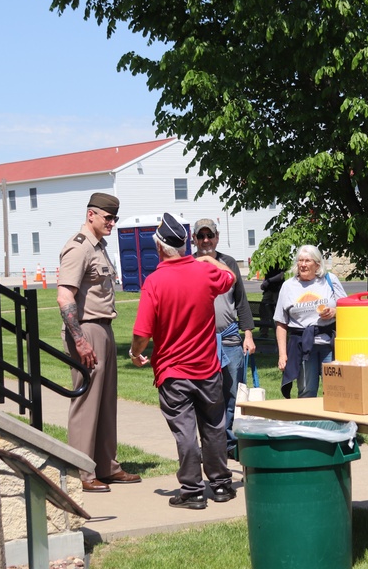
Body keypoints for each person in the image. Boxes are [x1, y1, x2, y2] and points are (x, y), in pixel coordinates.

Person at [129, 212, 237, 510]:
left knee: (185, 431)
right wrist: (208, 259)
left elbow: (142, 333)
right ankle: (221, 484)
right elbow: (229, 277)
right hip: (208, 367)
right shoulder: (205, 272)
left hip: (173, 370)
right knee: (214, 425)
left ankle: (192, 491)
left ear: (160, 248)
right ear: (187, 245)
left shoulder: (155, 281)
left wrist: (135, 352)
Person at [57, 192, 141, 493]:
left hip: (103, 328)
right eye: (108, 218)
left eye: (114, 218)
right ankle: (82, 468)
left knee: (105, 402)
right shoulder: (78, 248)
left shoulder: (100, 247)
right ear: (90, 214)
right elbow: (65, 297)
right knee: (86, 402)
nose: (112, 223)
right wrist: (79, 341)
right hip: (87, 330)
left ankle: (107, 466)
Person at [192, 218, 256, 459]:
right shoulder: (189, 264)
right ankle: (210, 444)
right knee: (206, 395)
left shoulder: (228, 263)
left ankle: (230, 442)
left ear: (217, 237)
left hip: (229, 340)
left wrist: (247, 334)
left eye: (210, 236)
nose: (206, 240)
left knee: (231, 393)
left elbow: (240, 300)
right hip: (201, 342)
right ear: (195, 239)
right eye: (201, 236)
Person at [274, 245, 347, 398]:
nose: (303, 264)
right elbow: (281, 322)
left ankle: (335, 421)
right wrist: (282, 354)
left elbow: (347, 309)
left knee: (335, 389)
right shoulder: (288, 286)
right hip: (303, 345)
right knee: (307, 389)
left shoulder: (330, 280)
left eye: (307, 261)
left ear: (317, 264)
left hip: (329, 344)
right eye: (300, 260)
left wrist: (334, 312)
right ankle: (308, 421)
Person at [256, 262, 287, 339]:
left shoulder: (282, 260)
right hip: (268, 290)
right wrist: (264, 283)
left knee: (277, 311)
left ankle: (278, 332)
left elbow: (282, 275)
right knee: (263, 310)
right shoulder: (268, 260)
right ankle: (264, 332)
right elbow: (267, 275)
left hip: (277, 290)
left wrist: (268, 281)